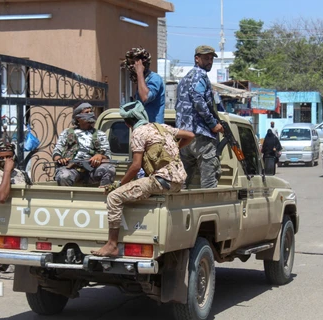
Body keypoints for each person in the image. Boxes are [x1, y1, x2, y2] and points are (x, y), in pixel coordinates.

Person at [91, 101, 194, 257]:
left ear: (127, 123)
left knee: (114, 197)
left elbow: (136, 166)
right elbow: (190, 135)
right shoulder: (161, 127)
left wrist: (118, 185)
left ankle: (112, 244)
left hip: (160, 181)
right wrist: (174, 151)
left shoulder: (138, 133)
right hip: (177, 181)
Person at [175, 45, 224, 189]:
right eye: (206, 58)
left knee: (182, 181)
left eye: (211, 59)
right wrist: (213, 124)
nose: (209, 61)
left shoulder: (185, 78)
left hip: (185, 136)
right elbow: (198, 99)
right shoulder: (200, 75)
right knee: (209, 182)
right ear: (197, 59)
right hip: (201, 135)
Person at [0, 137, 30, 272]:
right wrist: (7, 172)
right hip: (6, 219)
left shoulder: (20, 173)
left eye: (9, 157)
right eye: (1, 157)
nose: (5, 160)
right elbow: (1, 196)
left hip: (24, 218)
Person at [52, 102, 115, 187]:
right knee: (63, 175)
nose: (90, 114)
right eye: (86, 112)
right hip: (72, 169)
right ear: (78, 117)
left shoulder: (100, 134)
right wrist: (60, 159)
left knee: (109, 169)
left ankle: (103, 196)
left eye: (91, 112)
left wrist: (100, 156)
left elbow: (107, 155)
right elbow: (56, 152)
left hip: (92, 170)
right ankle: (66, 199)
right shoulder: (67, 133)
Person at [123, 47, 165, 123]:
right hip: (142, 129)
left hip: (153, 130)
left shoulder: (155, 78)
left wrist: (139, 72)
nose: (132, 67)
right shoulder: (140, 81)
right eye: (130, 64)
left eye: (134, 63)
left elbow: (145, 97)